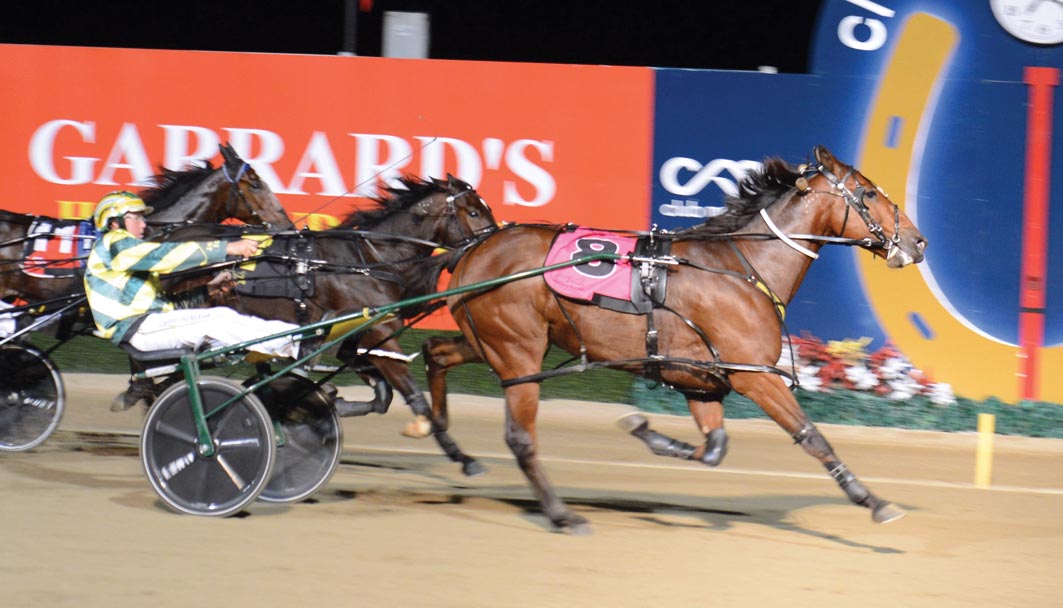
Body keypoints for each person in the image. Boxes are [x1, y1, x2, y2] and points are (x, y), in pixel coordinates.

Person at [84, 190, 308, 365]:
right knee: (216, 320)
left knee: (226, 326)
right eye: (136, 217)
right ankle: (297, 343)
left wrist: (207, 291)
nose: (144, 224)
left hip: (147, 325)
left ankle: (291, 344)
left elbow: (168, 307)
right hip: (136, 329)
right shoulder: (113, 243)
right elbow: (165, 256)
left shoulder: (128, 257)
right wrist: (229, 247)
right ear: (114, 222)